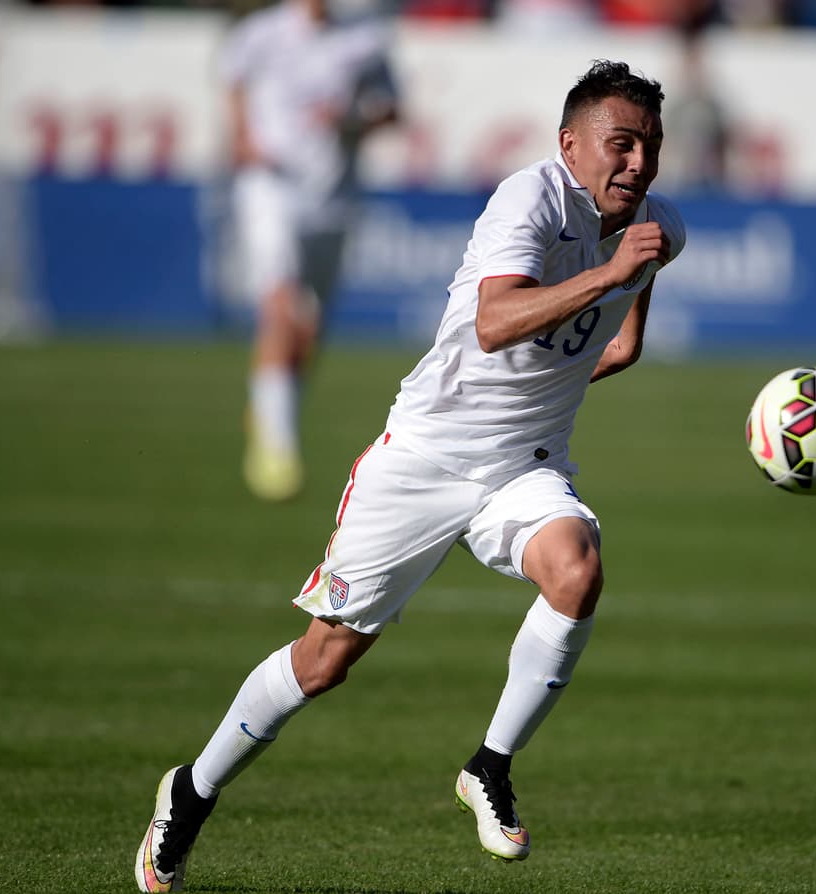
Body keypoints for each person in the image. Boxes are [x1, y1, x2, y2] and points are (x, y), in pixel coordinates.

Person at [135, 59, 685, 892]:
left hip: (522, 469)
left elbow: (622, 345)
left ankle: (489, 768)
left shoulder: (657, 226)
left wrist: (615, 304)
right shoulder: (528, 199)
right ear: (570, 144)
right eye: (621, 144)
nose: (637, 164)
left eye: (649, 147)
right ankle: (193, 789)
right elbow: (496, 322)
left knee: (577, 572)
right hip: (423, 458)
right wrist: (609, 274)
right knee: (324, 662)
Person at [222, 0, 401, 501]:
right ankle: (277, 448)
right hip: (270, 186)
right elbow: (232, 79)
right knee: (279, 306)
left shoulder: (366, 39)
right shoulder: (261, 33)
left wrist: (352, 120)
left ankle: (271, 408)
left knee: (309, 324)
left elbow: (391, 109)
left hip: (333, 195)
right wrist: (241, 136)